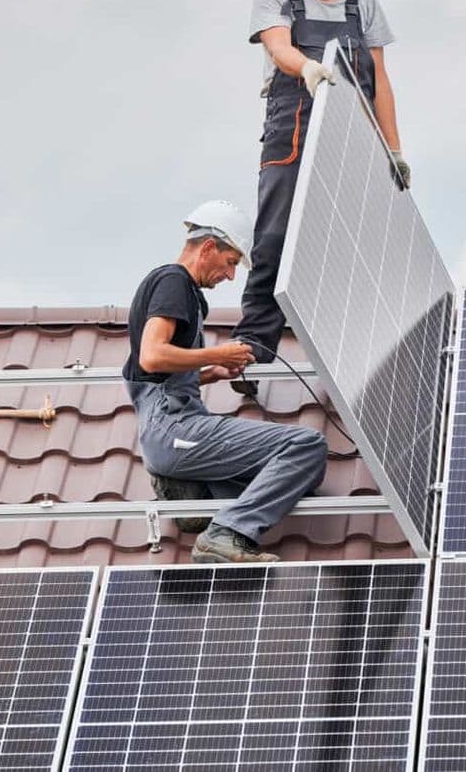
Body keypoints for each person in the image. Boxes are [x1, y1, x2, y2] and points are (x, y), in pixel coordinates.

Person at [231, 0, 411, 383]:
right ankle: (254, 347)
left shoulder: (362, 2)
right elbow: (278, 46)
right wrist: (308, 67)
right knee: (275, 237)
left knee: (349, 245)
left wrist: (392, 149)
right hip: (292, 131)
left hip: (351, 137)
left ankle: (354, 356)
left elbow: (379, 81)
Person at [122, 199, 328, 564]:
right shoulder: (174, 281)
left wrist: (210, 373)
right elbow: (152, 356)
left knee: (294, 481)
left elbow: (154, 374)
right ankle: (225, 534)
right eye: (231, 262)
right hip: (175, 428)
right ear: (207, 247)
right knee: (306, 446)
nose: (231, 275)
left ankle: (191, 492)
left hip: (169, 429)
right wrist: (218, 354)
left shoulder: (182, 292)